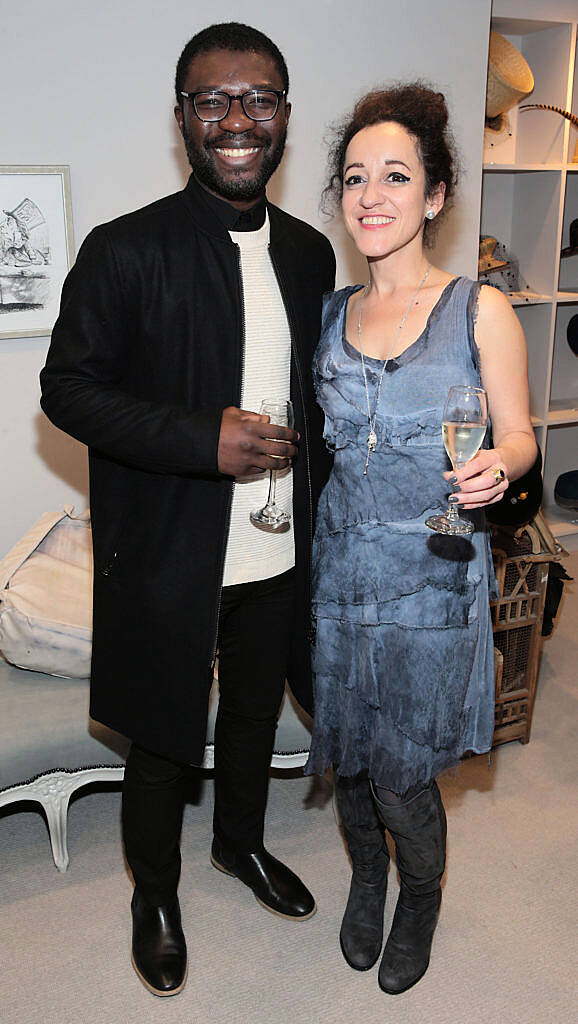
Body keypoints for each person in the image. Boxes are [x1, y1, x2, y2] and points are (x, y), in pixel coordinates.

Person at [40, 22, 335, 998]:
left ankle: (239, 846)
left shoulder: (307, 253)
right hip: (169, 551)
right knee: (164, 736)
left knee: (253, 713)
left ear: (285, 114)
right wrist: (195, 438)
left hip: (278, 547)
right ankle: (151, 895)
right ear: (182, 122)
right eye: (213, 101)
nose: (237, 120)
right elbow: (68, 390)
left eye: (259, 98)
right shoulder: (123, 250)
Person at [305, 84, 536, 996]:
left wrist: (501, 467)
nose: (371, 195)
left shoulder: (478, 309)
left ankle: (421, 899)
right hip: (341, 575)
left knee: (403, 775)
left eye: (395, 176)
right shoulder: (328, 314)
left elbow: (520, 436)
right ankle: (367, 876)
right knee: (353, 758)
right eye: (355, 178)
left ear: (435, 195)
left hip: (432, 574)